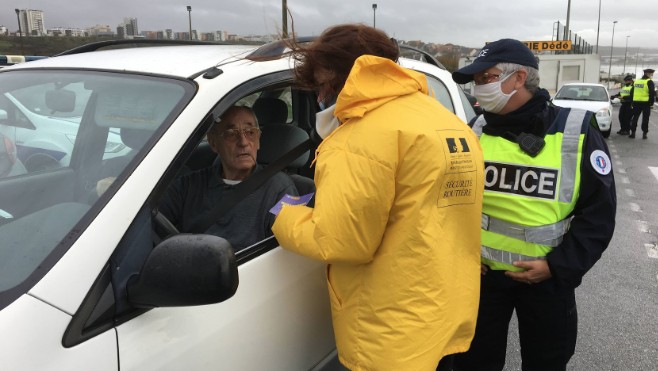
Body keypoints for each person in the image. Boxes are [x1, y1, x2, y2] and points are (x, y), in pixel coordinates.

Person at [270, 24, 485, 370]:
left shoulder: (360, 136)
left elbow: (341, 241)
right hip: (445, 308)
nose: (320, 96)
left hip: (392, 329)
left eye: (322, 84)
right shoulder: (443, 121)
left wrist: (284, 216)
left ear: (340, 72)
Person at [451, 38, 616, 371]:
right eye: (476, 80)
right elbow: (452, 202)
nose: (479, 87)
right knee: (473, 362)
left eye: (487, 77)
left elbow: (598, 213)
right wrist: (459, 255)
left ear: (518, 79)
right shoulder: (476, 130)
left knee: (546, 363)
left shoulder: (576, 130)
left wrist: (558, 267)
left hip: (547, 280)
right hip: (481, 279)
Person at [158, 105, 297, 250]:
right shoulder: (188, 185)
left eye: (250, 132)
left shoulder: (280, 188)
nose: (243, 142)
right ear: (213, 143)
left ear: (258, 140)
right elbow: (145, 224)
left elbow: (287, 246)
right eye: (231, 133)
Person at [629, 68, 655, 139]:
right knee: (645, 118)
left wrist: (632, 101)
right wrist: (651, 103)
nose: (651, 75)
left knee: (635, 118)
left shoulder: (637, 81)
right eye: (651, 74)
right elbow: (652, 93)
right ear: (648, 74)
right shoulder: (649, 82)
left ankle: (633, 133)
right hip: (645, 103)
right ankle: (644, 133)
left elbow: (631, 92)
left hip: (636, 102)